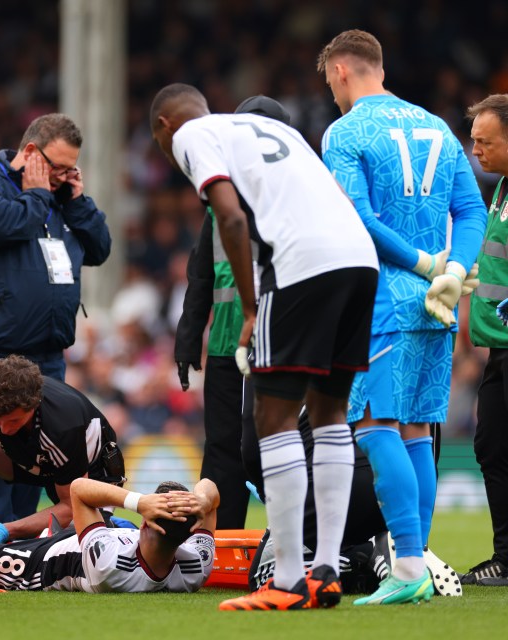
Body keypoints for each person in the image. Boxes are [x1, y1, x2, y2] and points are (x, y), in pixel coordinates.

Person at [151, 83, 379, 611]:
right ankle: (325, 571)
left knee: (270, 424)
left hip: (299, 268)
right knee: (329, 415)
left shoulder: (194, 132)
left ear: (166, 125)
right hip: (357, 258)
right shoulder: (288, 138)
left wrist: (253, 309)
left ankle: (289, 580)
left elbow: (227, 218)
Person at [318, 30, 487, 604]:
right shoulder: (437, 126)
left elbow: (356, 216)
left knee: (372, 425)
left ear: (342, 71)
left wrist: (421, 263)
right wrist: (452, 270)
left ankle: (410, 568)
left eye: (329, 82)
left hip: (381, 299)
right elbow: (471, 210)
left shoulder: (345, 132)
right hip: (439, 302)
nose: (332, 94)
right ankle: (412, 560)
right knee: (417, 430)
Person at [0, 113, 112, 527]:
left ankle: (18, 544)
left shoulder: (60, 197)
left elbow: (99, 248)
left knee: (38, 452)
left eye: (70, 168)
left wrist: (77, 200)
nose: (62, 176)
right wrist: (39, 194)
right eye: (56, 166)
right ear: (29, 152)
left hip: (46, 353)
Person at [176, 95, 293, 529]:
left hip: (277, 346)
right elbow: (201, 274)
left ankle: (291, 538)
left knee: (259, 448)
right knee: (222, 449)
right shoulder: (218, 198)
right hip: (228, 345)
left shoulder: (291, 193)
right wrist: (189, 334)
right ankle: (221, 547)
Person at [0, 355, 126, 541]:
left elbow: (70, 506)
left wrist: (5, 530)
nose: (4, 429)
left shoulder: (62, 426)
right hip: (32, 459)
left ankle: (118, 526)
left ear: (33, 406)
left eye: (14, 420)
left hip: (91, 474)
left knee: (79, 546)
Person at [0, 477, 218, 593]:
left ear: (146, 524)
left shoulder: (111, 567)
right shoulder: (196, 566)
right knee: (114, 522)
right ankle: (49, 531)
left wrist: (138, 501)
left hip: (49, 563)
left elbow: (78, 489)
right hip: (107, 534)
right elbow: (210, 489)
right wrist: (202, 501)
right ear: (190, 534)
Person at [463, 94, 508, 586]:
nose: (476, 150)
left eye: (485, 141)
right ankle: (506, 558)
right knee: (492, 445)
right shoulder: (500, 190)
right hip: (501, 346)